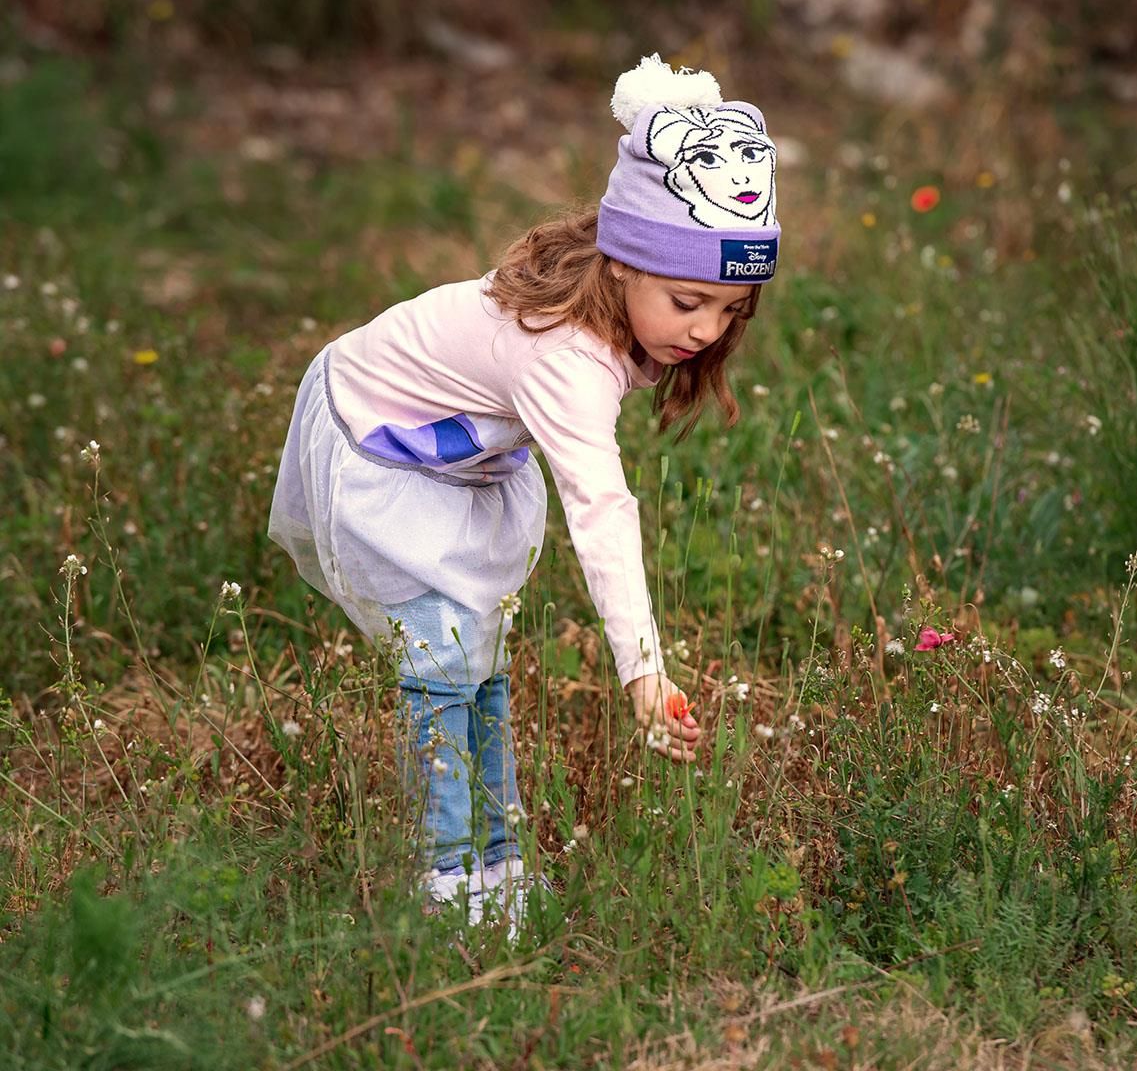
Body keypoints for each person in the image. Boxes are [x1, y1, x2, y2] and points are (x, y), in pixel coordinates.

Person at [268, 54, 782, 932]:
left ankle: (495, 866)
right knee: (440, 658)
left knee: (482, 659)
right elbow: (600, 510)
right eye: (690, 301)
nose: (706, 332)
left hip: (462, 459)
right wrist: (644, 673)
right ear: (622, 264)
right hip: (378, 444)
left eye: (730, 312)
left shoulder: (615, 306)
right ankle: (443, 881)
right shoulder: (565, 358)